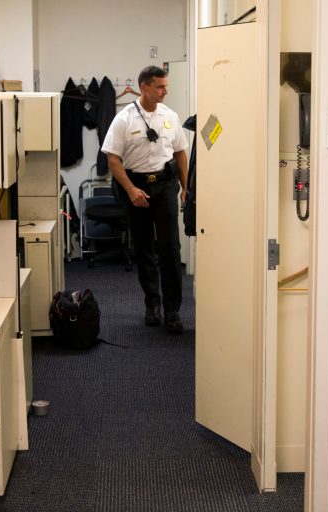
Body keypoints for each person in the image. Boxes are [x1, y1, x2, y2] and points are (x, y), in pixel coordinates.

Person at [101, 66, 188, 334]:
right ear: (144, 87)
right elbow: (113, 159)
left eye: (166, 86)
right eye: (160, 87)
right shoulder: (124, 119)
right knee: (144, 249)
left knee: (170, 248)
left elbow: (180, 153)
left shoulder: (170, 116)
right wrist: (130, 190)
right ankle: (153, 305)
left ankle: (173, 309)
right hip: (136, 187)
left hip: (164, 186)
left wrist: (187, 188)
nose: (165, 91)